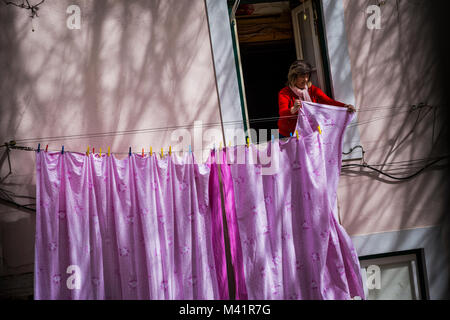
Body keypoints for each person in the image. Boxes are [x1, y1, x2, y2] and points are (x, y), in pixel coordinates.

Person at [277, 60, 356, 138]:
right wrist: (293, 109)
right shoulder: (284, 93)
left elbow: (328, 101)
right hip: (289, 134)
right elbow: (282, 113)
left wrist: (345, 106)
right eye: (302, 76)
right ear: (294, 77)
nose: (306, 79)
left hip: (309, 133)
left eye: (307, 75)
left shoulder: (313, 90)